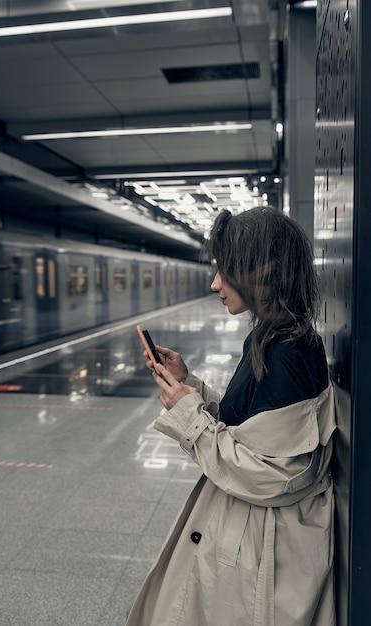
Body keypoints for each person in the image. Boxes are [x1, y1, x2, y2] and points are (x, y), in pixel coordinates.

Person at [126, 207, 336, 626]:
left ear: (264, 271)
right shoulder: (270, 336)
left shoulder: (288, 352)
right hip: (251, 536)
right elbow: (255, 429)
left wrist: (190, 418)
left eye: (226, 270)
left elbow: (278, 472)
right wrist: (193, 388)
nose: (215, 283)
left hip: (262, 553)